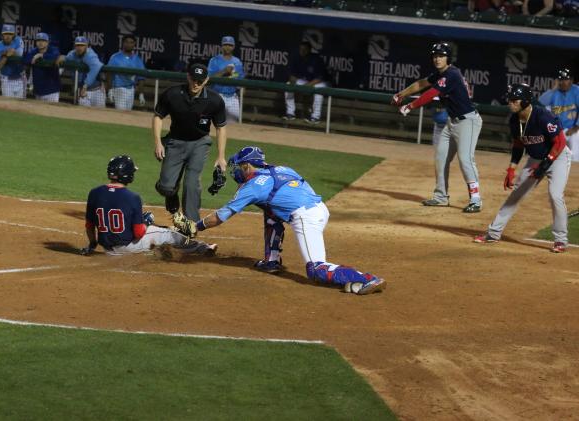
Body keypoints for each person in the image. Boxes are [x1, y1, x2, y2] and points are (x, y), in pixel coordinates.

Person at [170, 146, 386, 295]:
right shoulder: (283, 169)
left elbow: (223, 215)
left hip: (305, 218)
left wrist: (196, 226)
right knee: (270, 210)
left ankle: (367, 278)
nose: (237, 171)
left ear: (247, 166)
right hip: (320, 208)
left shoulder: (252, 186)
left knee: (315, 269)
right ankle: (271, 260)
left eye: (239, 167)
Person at [473, 84, 572, 253]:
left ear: (525, 101)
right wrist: (512, 168)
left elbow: (560, 141)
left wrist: (546, 164)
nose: (510, 103)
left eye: (514, 100)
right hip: (535, 159)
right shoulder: (514, 120)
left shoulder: (542, 115)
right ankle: (493, 233)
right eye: (509, 100)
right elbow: (519, 144)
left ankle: (560, 240)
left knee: (555, 195)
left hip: (558, 157)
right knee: (517, 194)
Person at [393, 41, 484, 213]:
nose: (437, 59)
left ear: (448, 58)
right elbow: (422, 84)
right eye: (435, 55)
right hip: (452, 122)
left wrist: (409, 106)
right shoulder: (441, 74)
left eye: (441, 55)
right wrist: (401, 94)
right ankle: (441, 196)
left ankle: (476, 199)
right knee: (441, 157)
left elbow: (431, 93)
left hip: (468, 122)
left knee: (466, 160)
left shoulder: (452, 74)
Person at [79, 155, 217, 256]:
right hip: (129, 247)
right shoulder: (132, 197)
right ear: (127, 175)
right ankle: (203, 248)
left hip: (108, 250)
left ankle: (156, 252)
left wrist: (92, 245)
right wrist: (146, 221)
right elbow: (139, 232)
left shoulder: (94, 193)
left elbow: (90, 225)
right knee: (169, 234)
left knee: (154, 232)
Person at [152, 62, 227, 221]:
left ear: (206, 80)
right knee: (166, 187)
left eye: (200, 81)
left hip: (200, 143)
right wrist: (158, 142)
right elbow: (158, 116)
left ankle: (191, 223)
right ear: (188, 77)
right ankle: (171, 193)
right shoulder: (172, 94)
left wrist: (221, 156)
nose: (196, 84)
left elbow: (221, 128)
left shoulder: (214, 100)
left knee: (192, 183)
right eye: (193, 79)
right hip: (175, 142)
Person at [538, 68, 579, 162]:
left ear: (571, 80)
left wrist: (576, 127)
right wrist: (553, 89)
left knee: (577, 138)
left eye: (566, 79)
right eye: (561, 79)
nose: (563, 82)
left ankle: (575, 168)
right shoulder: (555, 92)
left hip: (572, 129)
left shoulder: (577, 91)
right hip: (556, 130)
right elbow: (541, 102)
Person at [282, 40, 328, 124]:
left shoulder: (316, 59)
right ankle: (290, 113)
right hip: (305, 82)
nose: (302, 51)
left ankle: (315, 117)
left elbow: (320, 78)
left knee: (319, 89)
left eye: (304, 49)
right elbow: (291, 75)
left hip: (318, 83)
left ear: (309, 50)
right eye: (301, 49)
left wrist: (306, 86)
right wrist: (295, 82)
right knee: (288, 85)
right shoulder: (296, 58)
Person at [57, 36, 105, 107]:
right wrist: (62, 57)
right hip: (81, 90)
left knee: (100, 115)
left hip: (96, 90)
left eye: (82, 45)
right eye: (77, 45)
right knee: (83, 113)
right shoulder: (72, 54)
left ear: (86, 46)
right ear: (74, 46)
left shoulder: (90, 55)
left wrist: (85, 85)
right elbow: (66, 58)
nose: (79, 48)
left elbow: (96, 67)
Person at [207, 35, 245, 123]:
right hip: (217, 95)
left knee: (234, 128)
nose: (228, 47)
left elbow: (240, 79)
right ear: (222, 46)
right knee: (214, 124)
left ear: (234, 47)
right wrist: (224, 71)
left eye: (230, 45)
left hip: (233, 98)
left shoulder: (237, 62)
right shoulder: (214, 60)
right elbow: (209, 79)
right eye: (225, 44)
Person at [106, 35, 146, 110]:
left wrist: (141, 94)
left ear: (134, 44)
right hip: (118, 89)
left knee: (128, 113)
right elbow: (109, 74)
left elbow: (141, 78)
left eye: (131, 42)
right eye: (126, 42)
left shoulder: (137, 59)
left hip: (131, 90)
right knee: (121, 113)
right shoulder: (115, 57)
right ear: (123, 43)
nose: (129, 44)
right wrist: (109, 90)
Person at [22, 32, 61, 102]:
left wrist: (42, 55)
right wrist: (35, 56)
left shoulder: (53, 49)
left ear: (48, 42)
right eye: (38, 40)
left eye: (43, 41)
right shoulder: (33, 51)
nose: (40, 43)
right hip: (38, 90)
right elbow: (26, 60)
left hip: (51, 91)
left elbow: (55, 56)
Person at [0, 24, 25, 98]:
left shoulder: (18, 40)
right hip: (7, 80)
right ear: (1, 35)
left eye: (10, 34)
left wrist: (9, 52)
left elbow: (20, 54)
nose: (8, 36)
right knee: (8, 104)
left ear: (13, 35)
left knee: (21, 105)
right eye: (5, 34)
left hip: (21, 78)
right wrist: (5, 56)